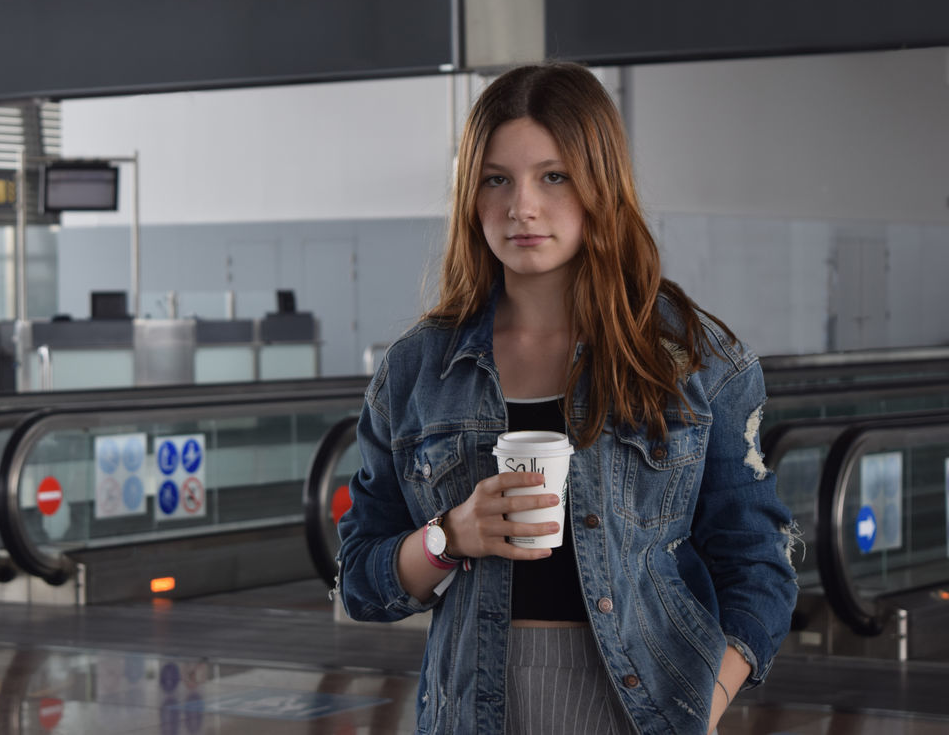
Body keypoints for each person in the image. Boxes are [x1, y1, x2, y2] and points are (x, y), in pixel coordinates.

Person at [335, 62, 799, 735]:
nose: (522, 205)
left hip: (644, 709)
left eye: (553, 176)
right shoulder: (416, 372)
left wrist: (706, 705)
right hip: (474, 712)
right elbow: (359, 577)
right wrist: (449, 535)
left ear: (599, 186)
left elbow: (760, 562)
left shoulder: (697, 364)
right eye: (496, 179)